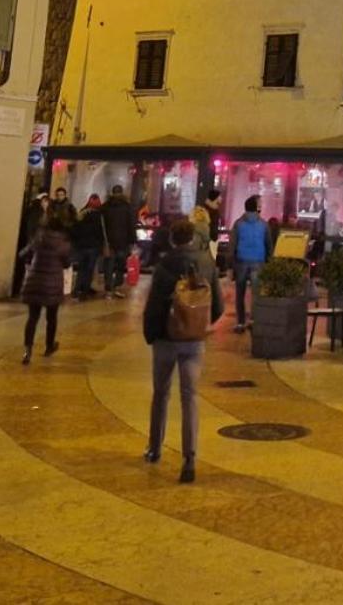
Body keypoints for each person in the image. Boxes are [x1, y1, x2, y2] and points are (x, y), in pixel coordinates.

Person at [143, 217, 223, 483]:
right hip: (193, 340)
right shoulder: (207, 263)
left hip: (166, 337)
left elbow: (154, 304)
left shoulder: (165, 264)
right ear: (193, 237)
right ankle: (189, 457)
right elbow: (218, 305)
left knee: (161, 394)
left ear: (172, 239)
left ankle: (155, 448)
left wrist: (151, 333)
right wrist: (200, 323)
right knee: (190, 396)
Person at [18, 209, 72, 364]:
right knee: (51, 317)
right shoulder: (63, 243)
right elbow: (67, 263)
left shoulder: (38, 239)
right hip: (52, 284)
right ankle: (49, 346)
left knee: (32, 318)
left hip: (34, 281)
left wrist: (32, 259)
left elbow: (23, 254)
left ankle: (27, 350)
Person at [229, 196, 273, 332]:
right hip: (258, 261)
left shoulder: (238, 224)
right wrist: (269, 260)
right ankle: (254, 320)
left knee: (240, 293)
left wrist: (231, 263)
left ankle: (240, 322)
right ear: (256, 208)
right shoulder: (264, 224)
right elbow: (268, 244)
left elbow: (232, 245)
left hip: (241, 261)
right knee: (256, 292)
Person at [101, 185, 136, 298]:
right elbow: (131, 225)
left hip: (109, 241)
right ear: (122, 192)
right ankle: (116, 286)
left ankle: (108, 289)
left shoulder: (106, 207)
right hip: (123, 241)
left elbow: (102, 225)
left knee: (109, 266)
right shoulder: (127, 206)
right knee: (120, 265)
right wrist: (133, 241)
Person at [71, 194, 108, 299]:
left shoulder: (82, 213)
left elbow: (75, 229)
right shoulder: (100, 215)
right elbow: (102, 232)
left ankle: (77, 289)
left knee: (81, 268)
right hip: (93, 247)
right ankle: (85, 291)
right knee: (89, 269)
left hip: (82, 246)